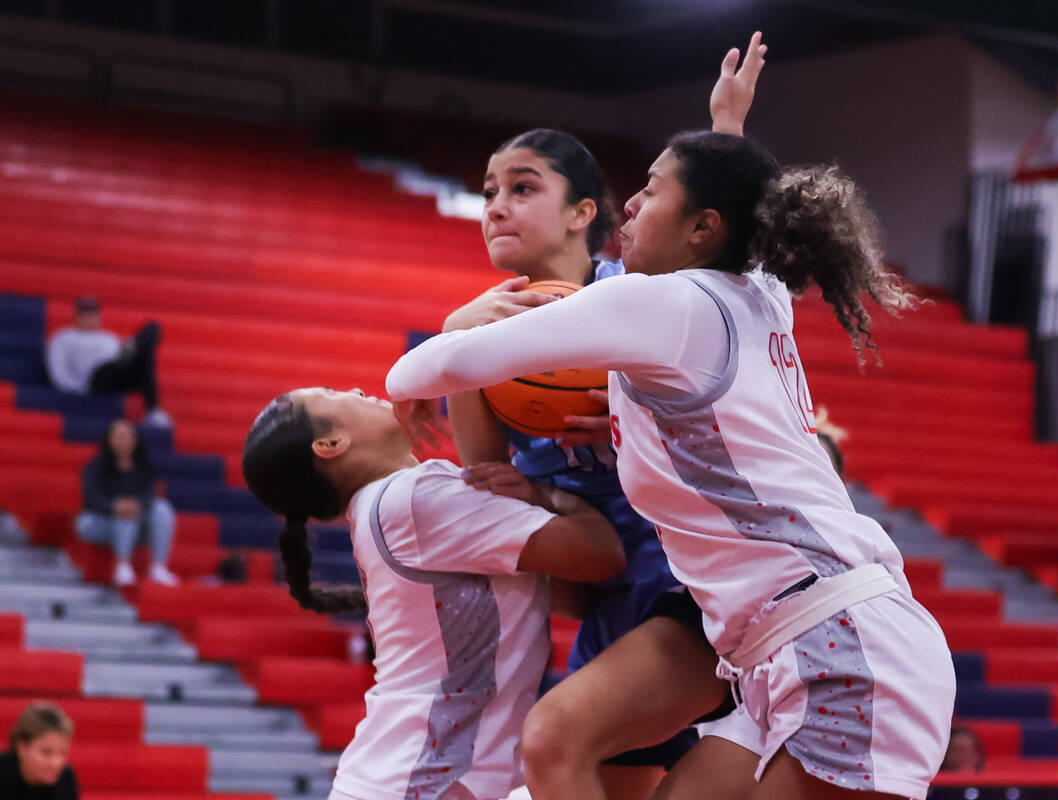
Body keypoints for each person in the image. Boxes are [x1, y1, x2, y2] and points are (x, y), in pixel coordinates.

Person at [386, 131, 954, 799]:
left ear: (702, 228)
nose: (627, 204)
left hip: (837, 646)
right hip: (784, 652)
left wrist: (456, 328)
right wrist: (726, 128)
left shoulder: (659, 302)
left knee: (556, 738)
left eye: (650, 191)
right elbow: (751, 228)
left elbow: (429, 367)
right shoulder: (756, 293)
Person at [441, 34, 766, 799]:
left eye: (523, 187)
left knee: (554, 742)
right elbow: (490, 490)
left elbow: (725, 258)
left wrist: (727, 128)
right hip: (611, 593)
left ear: (585, 212)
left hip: (692, 572)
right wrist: (459, 348)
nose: (496, 206)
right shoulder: (485, 331)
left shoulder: (642, 292)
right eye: (489, 191)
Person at [241, 386, 627, 800]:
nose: (357, 390)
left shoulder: (388, 508)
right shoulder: (412, 500)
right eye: (336, 394)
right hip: (425, 781)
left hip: (416, 779)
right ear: (332, 444)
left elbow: (574, 597)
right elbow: (603, 555)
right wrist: (545, 494)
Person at [74, 418, 178, 587]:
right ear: (109, 439)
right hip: (100, 521)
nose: (123, 441)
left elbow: (149, 495)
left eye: (127, 436)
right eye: (119, 436)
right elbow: (90, 498)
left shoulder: (144, 467)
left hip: (137, 523)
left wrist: (135, 505)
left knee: (162, 509)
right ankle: (122, 564)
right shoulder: (95, 466)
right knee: (124, 511)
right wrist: (114, 507)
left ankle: (158, 566)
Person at [45, 296, 170, 427]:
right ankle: (133, 347)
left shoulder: (108, 337)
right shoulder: (65, 337)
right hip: (94, 377)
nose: (90, 318)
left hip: (117, 369)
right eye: (85, 314)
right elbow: (57, 368)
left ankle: (153, 411)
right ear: (77, 316)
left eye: (93, 314)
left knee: (152, 330)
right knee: (140, 352)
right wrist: (78, 390)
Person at [0, 702, 78, 800]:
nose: (56, 763)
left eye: (63, 753)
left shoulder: (65, 778)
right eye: (46, 752)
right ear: (21, 746)